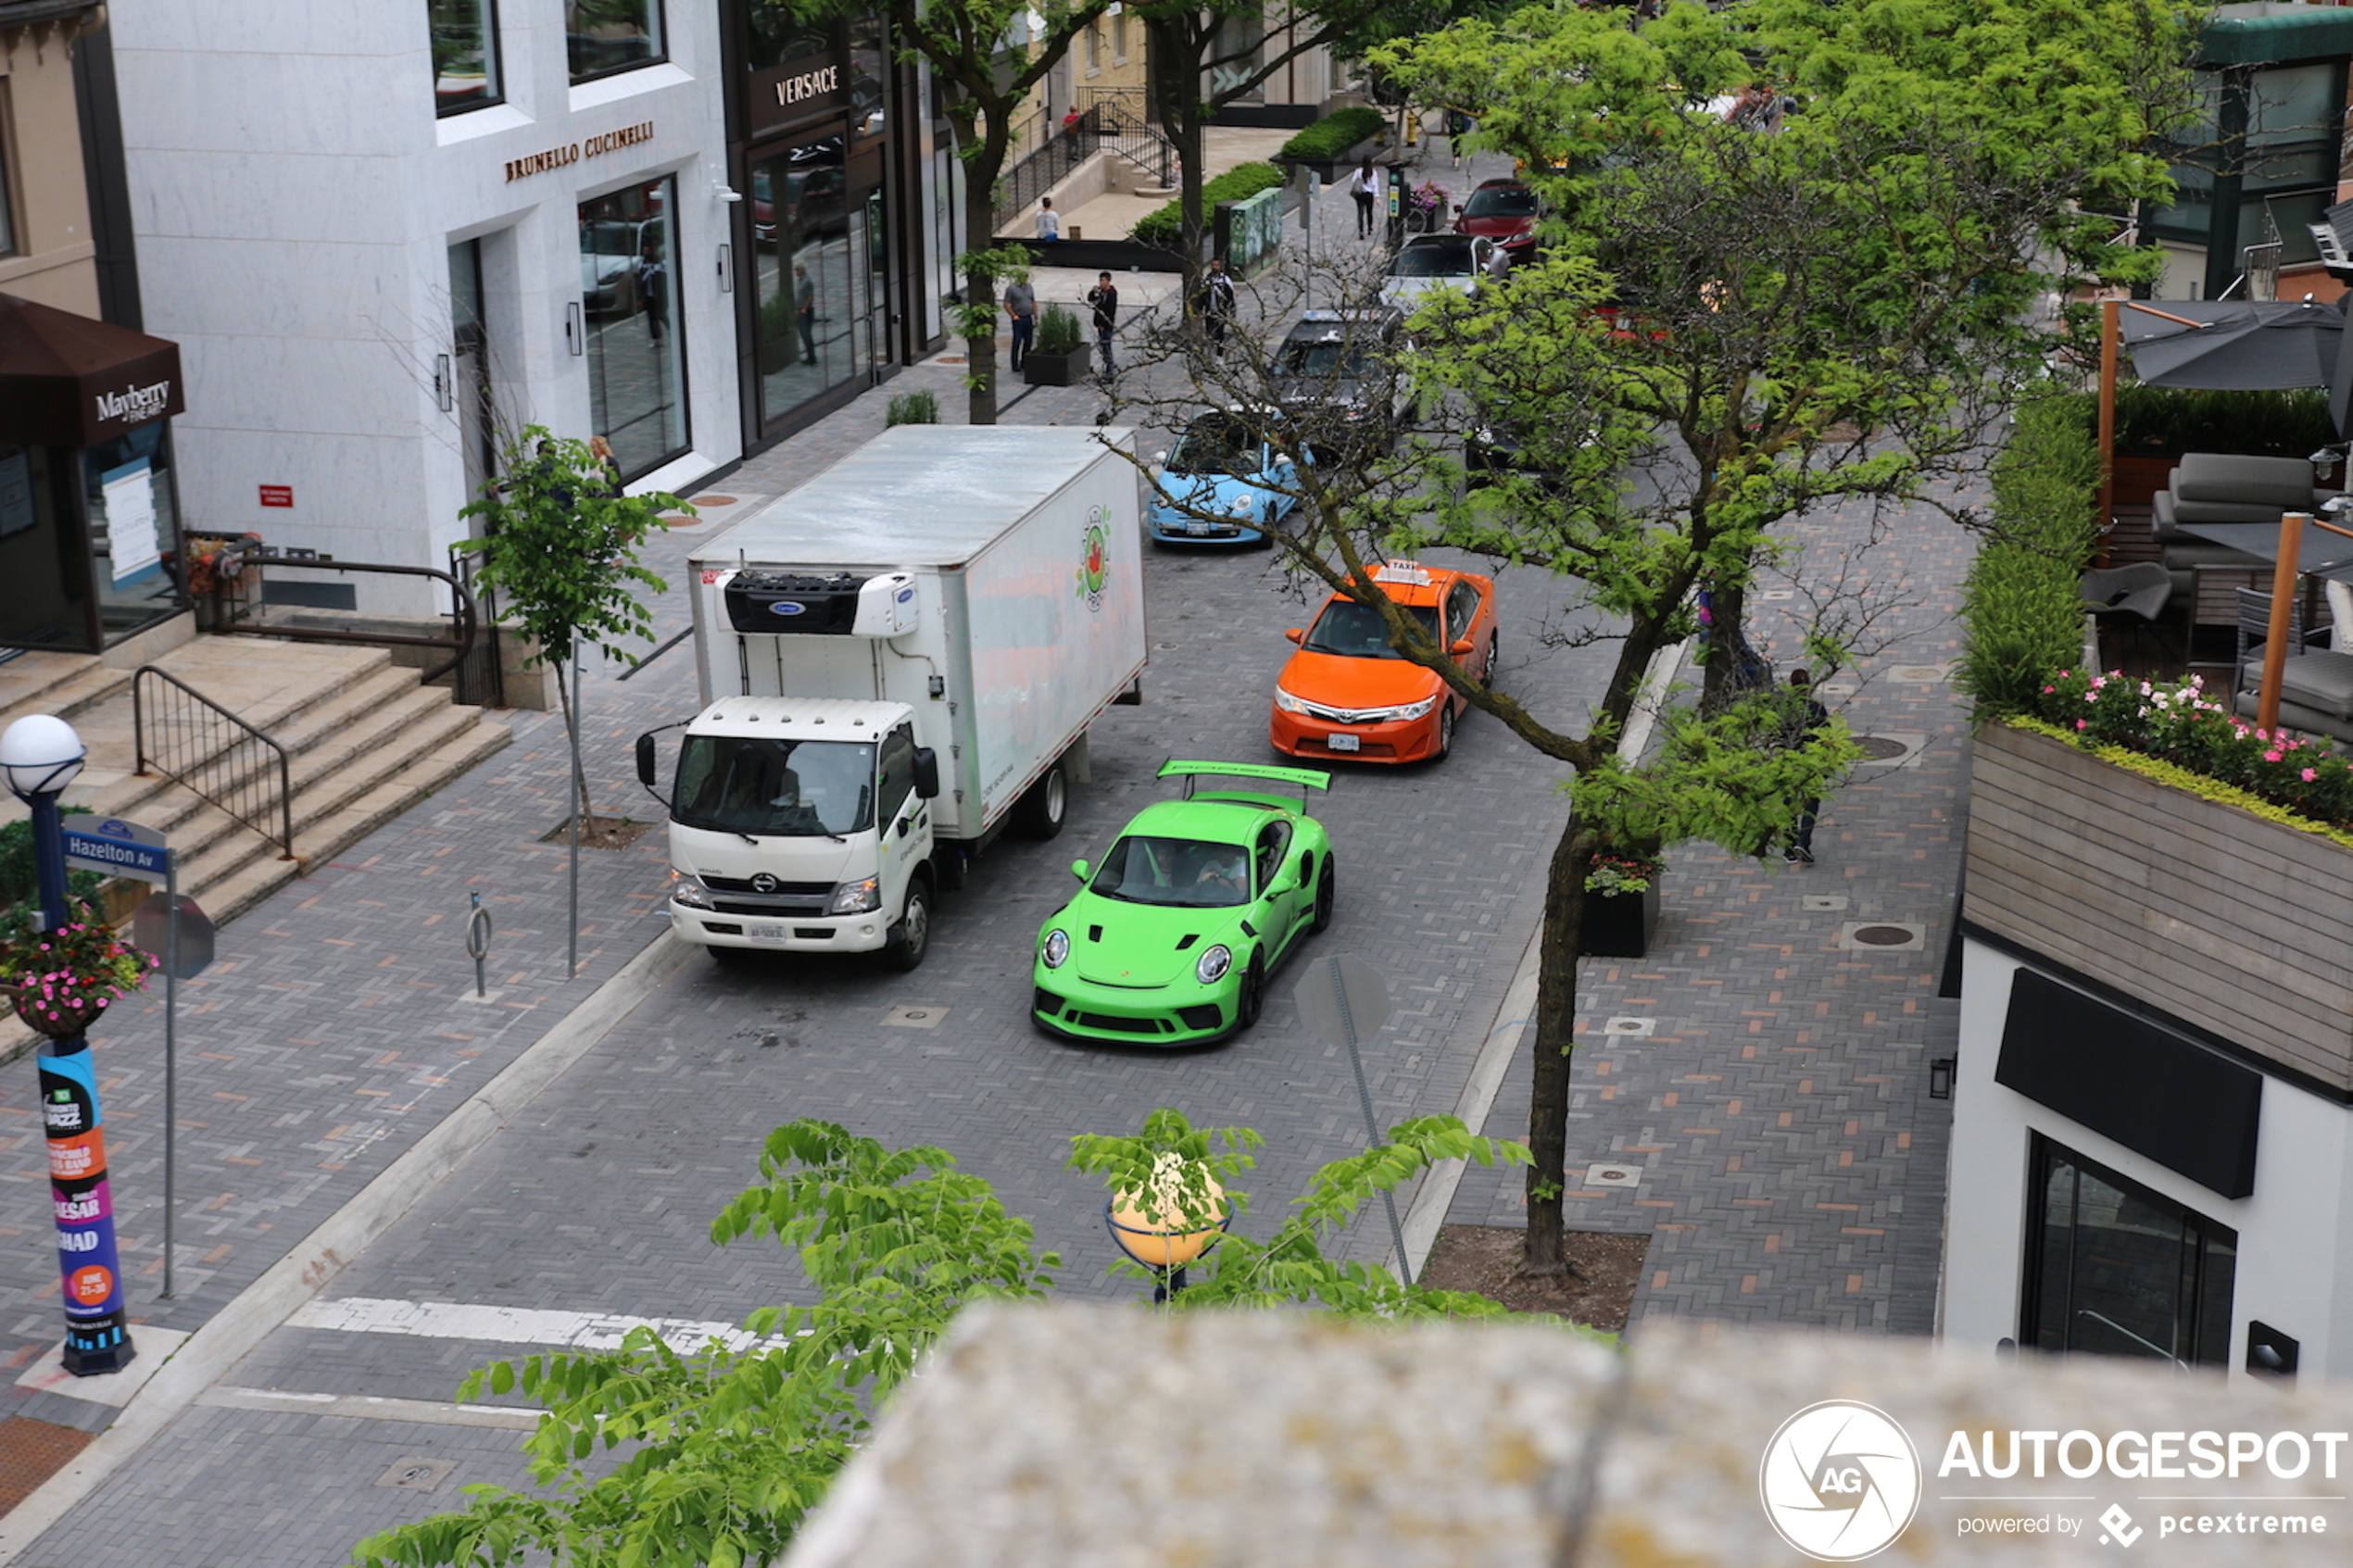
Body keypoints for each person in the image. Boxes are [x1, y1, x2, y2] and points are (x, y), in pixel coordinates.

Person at [1780, 668, 1831, 863]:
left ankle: (1789, 849)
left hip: (1788, 761)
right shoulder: (1816, 707)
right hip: (1811, 761)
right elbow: (1826, 735)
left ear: (1791, 685)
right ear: (1809, 685)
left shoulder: (1784, 707)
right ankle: (1804, 842)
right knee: (1811, 801)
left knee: (1789, 803)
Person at [1193, 257, 1235, 358]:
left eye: (1216, 265)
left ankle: (1219, 355)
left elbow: (1230, 298)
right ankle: (1210, 354)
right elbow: (1201, 298)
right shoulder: (1206, 280)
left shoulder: (1225, 281)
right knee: (1209, 332)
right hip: (1209, 311)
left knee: (1220, 333)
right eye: (1213, 265)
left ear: (1220, 266)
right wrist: (1199, 312)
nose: (1214, 267)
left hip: (1221, 311)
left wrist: (1231, 311)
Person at [1086, 271, 1120, 377]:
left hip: (1106, 326)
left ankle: (1110, 372)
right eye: (1100, 280)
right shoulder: (1101, 292)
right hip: (1100, 324)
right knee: (1104, 347)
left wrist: (1103, 324)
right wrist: (1093, 292)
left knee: (1107, 347)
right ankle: (1108, 367)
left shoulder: (1111, 294)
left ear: (1108, 281)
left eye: (1103, 280)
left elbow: (1110, 311)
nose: (1101, 283)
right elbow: (1091, 300)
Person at [1002, 270, 1037, 371]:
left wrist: (1036, 316)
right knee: (1017, 341)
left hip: (1028, 317)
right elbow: (1006, 304)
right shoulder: (1011, 289)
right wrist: (1014, 316)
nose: (1024, 278)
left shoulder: (1029, 287)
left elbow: (1033, 301)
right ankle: (1014, 364)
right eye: (1023, 276)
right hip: (1019, 318)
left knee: (1028, 340)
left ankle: (1024, 362)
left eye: (1026, 276)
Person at [636, 241, 667, 342]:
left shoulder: (660, 265)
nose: (647, 252)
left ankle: (672, 332)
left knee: (662, 316)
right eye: (645, 250)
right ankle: (656, 338)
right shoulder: (642, 265)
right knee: (651, 318)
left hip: (659, 296)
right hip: (648, 296)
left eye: (649, 250)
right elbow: (639, 282)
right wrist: (640, 298)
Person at [1348, 157, 1378, 239]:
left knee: (1360, 213)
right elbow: (1375, 185)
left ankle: (1361, 231)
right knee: (1369, 212)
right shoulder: (1373, 172)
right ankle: (1370, 228)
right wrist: (1377, 197)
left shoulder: (1358, 171)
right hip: (1369, 195)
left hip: (1360, 194)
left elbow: (1353, 181)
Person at [794, 264, 818, 365]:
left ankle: (811, 357)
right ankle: (810, 356)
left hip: (805, 312)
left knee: (806, 334)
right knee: (805, 335)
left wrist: (804, 309)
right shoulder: (801, 281)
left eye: (797, 270)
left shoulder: (807, 282)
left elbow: (810, 297)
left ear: (803, 270)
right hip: (800, 310)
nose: (796, 272)